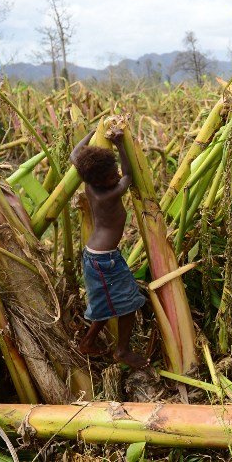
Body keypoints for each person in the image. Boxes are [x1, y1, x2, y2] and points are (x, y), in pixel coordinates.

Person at [70, 128, 149, 369]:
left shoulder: (90, 183)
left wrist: (93, 133)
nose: (114, 176)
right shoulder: (110, 193)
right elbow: (128, 175)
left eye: (112, 172)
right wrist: (121, 144)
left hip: (102, 258)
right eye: (109, 176)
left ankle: (88, 342)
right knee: (128, 304)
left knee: (108, 304)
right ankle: (122, 351)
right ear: (98, 180)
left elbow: (75, 154)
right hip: (104, 261)